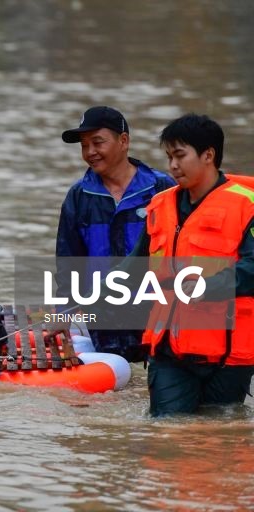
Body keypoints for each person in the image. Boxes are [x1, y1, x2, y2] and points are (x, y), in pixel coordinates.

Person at [132, 113, 254, 416]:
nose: (172, 165)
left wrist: (207, 287)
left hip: (229, 357)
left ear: (208, 155)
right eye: (169, 156)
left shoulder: (247, 205)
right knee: (167, 432)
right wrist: (87, 299)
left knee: (217, 438)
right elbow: (134, 265)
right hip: (169, 352)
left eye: (180, 155)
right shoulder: (160, 206)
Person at [55, 106, 175, 362]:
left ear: (124, 141)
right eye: (84, 146)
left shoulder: (162, 189)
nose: (90, 153)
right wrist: (62, 315)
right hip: (103, 320)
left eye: (97, 143)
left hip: (156, 315)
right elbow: (68, 264)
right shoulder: (79, 196)